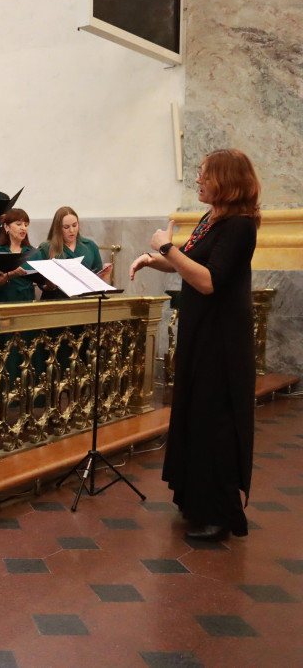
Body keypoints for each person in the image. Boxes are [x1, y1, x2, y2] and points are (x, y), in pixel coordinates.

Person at [130, 148, 260, 541]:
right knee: (196, 414)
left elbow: (208, 280)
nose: (198, 181)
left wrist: (167, 248)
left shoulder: (240, 226)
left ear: (224, 179)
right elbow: (191, 260)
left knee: (214, 418)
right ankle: (197, 501)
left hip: (222, 340)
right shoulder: (213, 219)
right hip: (202, 333)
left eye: (204, 175)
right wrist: (158, 258)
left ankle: (220, 513)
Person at [37, 206, 113, 300]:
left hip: (84, 301)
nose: (72, 230)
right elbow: (41, 284)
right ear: (57, 228)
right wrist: (50, 284)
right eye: (66, 227)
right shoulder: (46, 247)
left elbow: (97, 279)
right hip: (56, 301)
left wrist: (104, 275)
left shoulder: (90, 246)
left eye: (74, 225)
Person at [0, 208, 38, 303]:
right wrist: (10, 274)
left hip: (26, 302)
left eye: (26, 225)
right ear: (6, 227)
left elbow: (43, 284)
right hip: (2, 302)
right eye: (18, 224)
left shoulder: (33, 252)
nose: (23, 228)